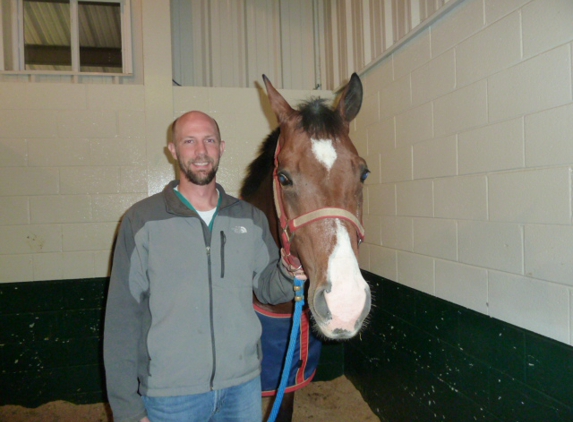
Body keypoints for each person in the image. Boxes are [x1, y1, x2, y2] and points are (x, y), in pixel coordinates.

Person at [104, 111, 306, 422]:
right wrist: (127, 410)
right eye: (189, 141)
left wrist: (289, 269)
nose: (201, 151)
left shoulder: (249, 218)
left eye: (209, 140)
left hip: (242, 388)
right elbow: (121, 319)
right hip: (171, 395)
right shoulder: (141, 221)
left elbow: (267, 290)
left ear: (221, 147)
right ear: (173, 150)